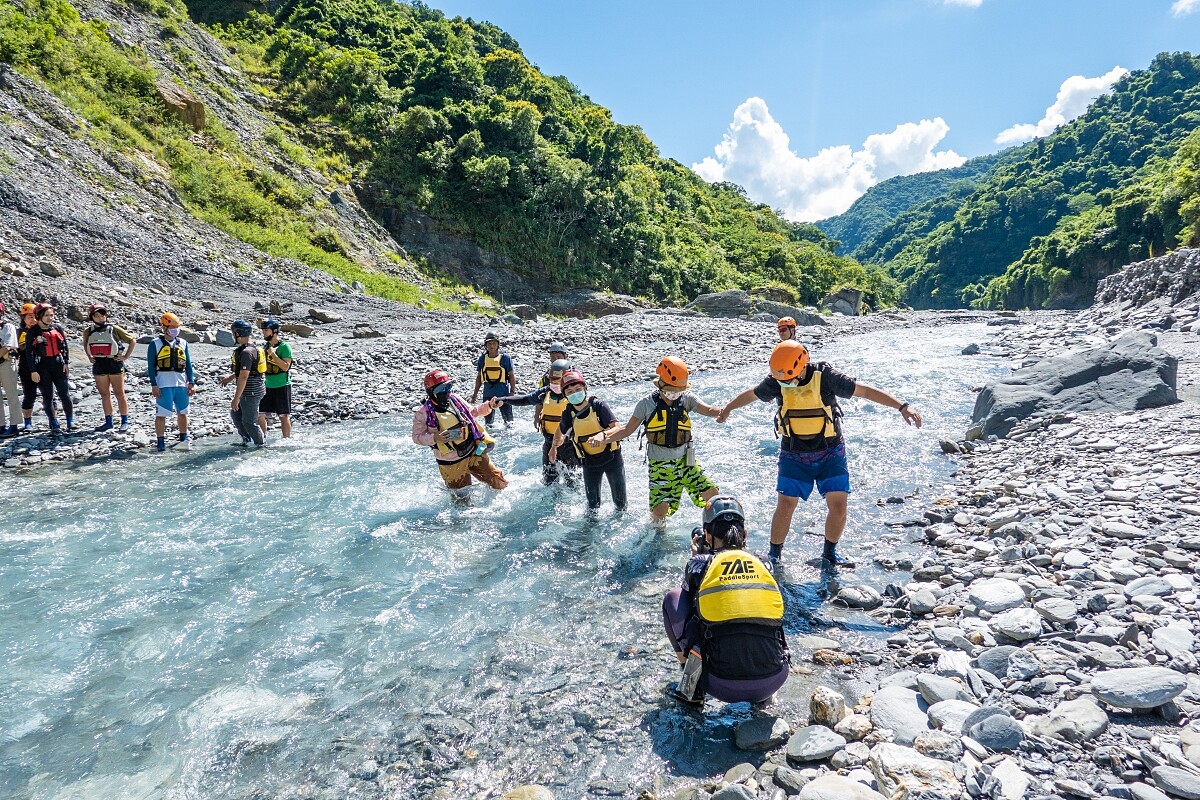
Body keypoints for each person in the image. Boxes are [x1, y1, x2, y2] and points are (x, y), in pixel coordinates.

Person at [717, 340, 922, 568]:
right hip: (793, 453)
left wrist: (902, 406)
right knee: (786, 504)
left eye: (790, 379)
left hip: (830, 451)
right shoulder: (778, 379)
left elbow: (863, 390)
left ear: (802, 365)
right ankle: (774, 556)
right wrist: (728, 409)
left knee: (838, 504)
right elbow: (753, 394)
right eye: (782, 381)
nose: (786, 384)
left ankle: (830, 554)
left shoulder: (826, 376)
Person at [662, 495, 789, 707]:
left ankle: (691, 686)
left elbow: (690, 602)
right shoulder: (764, 562)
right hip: (774, 678)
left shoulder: (699, 563)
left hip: (722, 685)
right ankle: (764, 697)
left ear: (707, 535)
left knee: (673, 598)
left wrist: (697, 556)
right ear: (745, 534)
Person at [594, 356, 721, 524]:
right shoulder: (646, 404)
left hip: (687, 461)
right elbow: (626, 429)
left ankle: (715, 531)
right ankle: (657, 542)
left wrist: (724, 410)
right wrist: (603, 437)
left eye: (679, 392)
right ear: (660, 385)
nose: (674, 396)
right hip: (660, 464)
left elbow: (708, 409)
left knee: (713, 495)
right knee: (659, 514)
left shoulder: (687, 399)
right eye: (670, 391)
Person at [412, 369, 508, 492]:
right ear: (431, 392)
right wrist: (435, 438)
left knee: (499, 482)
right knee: (461, 500)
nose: (447, 392)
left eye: (448, 387)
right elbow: (416, 437)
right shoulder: (423, 413)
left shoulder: (455, 399)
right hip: (451, 462)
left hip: (473, 451)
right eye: (442, 389)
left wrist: (490, 405)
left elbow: (473, 412)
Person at [549, 370, 625, 511]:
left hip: (612, 459)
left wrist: (602, 436)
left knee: (620, 504)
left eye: (578, 389)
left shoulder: (599, 406)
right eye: (570, 391)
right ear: (565, 395)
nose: (575, 393)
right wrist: (553, 447)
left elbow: (618, 428)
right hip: (589, 463)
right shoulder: (568, 413)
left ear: (585, 388)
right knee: (592, 506)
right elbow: (560, 429)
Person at [503, 358, 579, 485]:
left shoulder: (575, 397)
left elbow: (578, 422)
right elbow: (524, 400)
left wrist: (563, 439)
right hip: (549, 444)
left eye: (559, 380)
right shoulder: (544, 393)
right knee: (548, 484)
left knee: (573, 484)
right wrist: (504, 399)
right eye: (553, 379)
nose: (555, 383)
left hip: (570, 447)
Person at [81, 303, 136, 432]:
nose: (100, 318)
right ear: (92, 317)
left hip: (114, 362)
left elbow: (132, 340)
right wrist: (89, 356)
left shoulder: (114, 329)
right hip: (99, 364)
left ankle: (124, 421)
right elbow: (85, 344)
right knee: (105, 394)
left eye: (102, 315)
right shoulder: (88, 331)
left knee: (119, 393)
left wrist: (125, 356)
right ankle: (108, 421)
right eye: (97, 316)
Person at [148, 312, 195, 452]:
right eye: (172, 326)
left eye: (177, 326)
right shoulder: (155, 344)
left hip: (181, 384)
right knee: (161, 414)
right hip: (163, 383)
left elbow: (188, 365)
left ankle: (183, 438)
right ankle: (160, 441)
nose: (175, 329)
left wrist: (191, 382)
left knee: (183, 412)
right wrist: (153, 385)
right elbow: (151, 366)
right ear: (164, 327)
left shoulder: (183, 343)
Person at [26, 303, 75, 433]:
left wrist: (66, 362)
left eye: (51, 315)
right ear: (39, 316)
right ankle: (53, 421)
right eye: (46, 315)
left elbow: (64, 346)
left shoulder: (57, 327)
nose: (50, 318)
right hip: (42, 366)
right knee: (47, 396)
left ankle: (70, 420)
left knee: (64, 393)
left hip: (58, 364)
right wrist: (33, 371)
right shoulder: (33, 331)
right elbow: (29, 353)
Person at [219, 320, 266, 448]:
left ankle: (260, 445)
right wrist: (231, 377)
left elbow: (244, 376)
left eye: (234, 333)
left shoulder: (246, 352)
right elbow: (245, 371)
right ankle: (247, 440)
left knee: (249, 421)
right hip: (250, 389)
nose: (233, 335)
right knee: (236, 414)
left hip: (251, 391)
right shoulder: (249, 348)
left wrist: (236, 398)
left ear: (238, 333)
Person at [257, 318, 293, 440]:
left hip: (282, 385)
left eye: (266, 330)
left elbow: (285, 367)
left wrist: (273, 354)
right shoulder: (264, 347)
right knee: (259, 414)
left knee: (283, 416)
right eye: (263, 330)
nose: (264, 333)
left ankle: (286, 439)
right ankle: (263, 438)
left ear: (275, 331)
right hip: (267, 385)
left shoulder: (284, 347)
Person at [471, 331, 516, 428]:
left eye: (494, 343)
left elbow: (511, 375)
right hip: (488, 395)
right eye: (489, 343)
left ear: (498, 344)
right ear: (486, 345)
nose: (491, 346)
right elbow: (479, 377)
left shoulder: (505, 358)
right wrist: (475, 394)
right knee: (488, 424)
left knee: (509, 423)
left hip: (503, 395)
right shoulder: (482, 359)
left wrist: (512, 392)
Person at [15, 303, 38, 432]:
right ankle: (27, 422)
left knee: (49, 395)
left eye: (35, 316)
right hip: (26, 369)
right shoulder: (19, 333)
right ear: (23, 319)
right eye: (29, 317)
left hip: (43, 368)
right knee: (29, 395)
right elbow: (20, 349)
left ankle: (53, 420)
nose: (33, 320)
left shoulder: (44, 331)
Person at [0, 303, 20, 437]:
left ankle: (14, 425)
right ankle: (1, 425)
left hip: (7, 363)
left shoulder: (8, 327)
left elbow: (7, 346)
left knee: (11, 394)